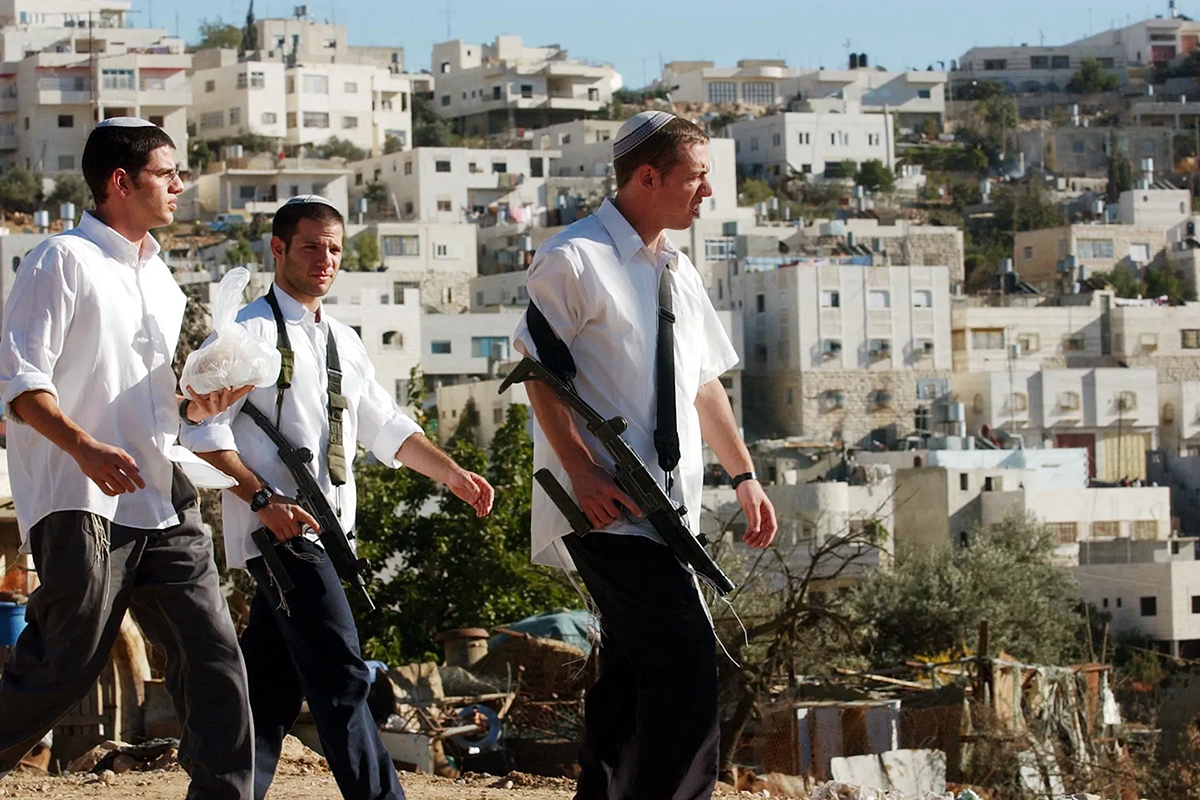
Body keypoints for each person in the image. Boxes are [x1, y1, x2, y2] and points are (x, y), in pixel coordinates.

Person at [182, 195, 495, 800]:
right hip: (284, 538)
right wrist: (263, 500)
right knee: (343, 678)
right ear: (277, 250)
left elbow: (386, 426)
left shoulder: (344, 340)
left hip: (330, 534)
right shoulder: (245, 335)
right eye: (311, 247)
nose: (325, 259)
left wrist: (452, 475)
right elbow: (200, 433)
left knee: (268, 692)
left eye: (334, 249)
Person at [512, 110, 778, 800]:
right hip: (606, 508)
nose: (707, 192)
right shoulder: (573, 258)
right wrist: (581, 469)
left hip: (670, 513)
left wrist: (744, 474)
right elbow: (539, 372)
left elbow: (703, 384)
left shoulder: (678, 271)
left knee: (631, 679)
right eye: (696, 177)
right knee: (685, 668)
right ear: (649, 177)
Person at [0, 118, 254, 798]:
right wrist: (82, 446)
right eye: (167, 173)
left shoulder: (163, 280)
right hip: (81, 498)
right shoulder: (60, 259)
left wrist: (201, 404)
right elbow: (19, 385)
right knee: (63, 666)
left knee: (215, 655)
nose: (180, 186)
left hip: (164, 496)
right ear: (120, 181)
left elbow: (161, 405)